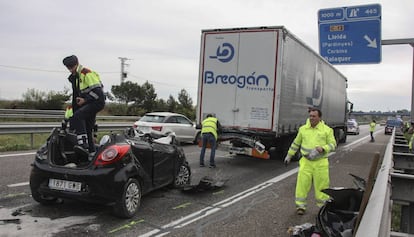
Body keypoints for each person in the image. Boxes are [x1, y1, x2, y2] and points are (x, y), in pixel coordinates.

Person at [284, 108, 336, 215]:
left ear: (319, 117)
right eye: (310, 116)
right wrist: (289, 156)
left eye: (314, 116)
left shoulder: (327, 130)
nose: (311, 118)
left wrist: (324, 148)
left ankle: (323, 208)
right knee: (302, 184)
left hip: (321, 162)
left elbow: (333, 144)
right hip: (306, 161)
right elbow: (296, 144)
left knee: (322, 186)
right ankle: (300, 206)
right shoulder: (303, 129)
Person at [62, 55, 105, 155]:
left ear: (77, 64)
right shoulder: (76, 77)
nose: (70, 70)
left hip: (97, 102)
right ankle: (92, 153)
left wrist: (85, 100)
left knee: (78, 117)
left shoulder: (86, 73)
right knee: (88, 128)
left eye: (72, 67)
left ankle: (83, 146)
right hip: (89, 103)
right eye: (68, 68)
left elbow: (99, 93)